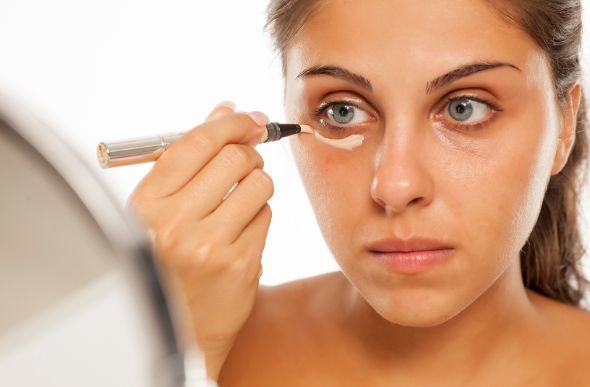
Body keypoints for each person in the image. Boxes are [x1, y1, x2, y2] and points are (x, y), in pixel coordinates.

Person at [128, 0, 590, 385]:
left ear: (564, 127)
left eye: (464, 108)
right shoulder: (201, 346)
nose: (395, 186)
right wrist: (167, 347)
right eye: (343, 111)